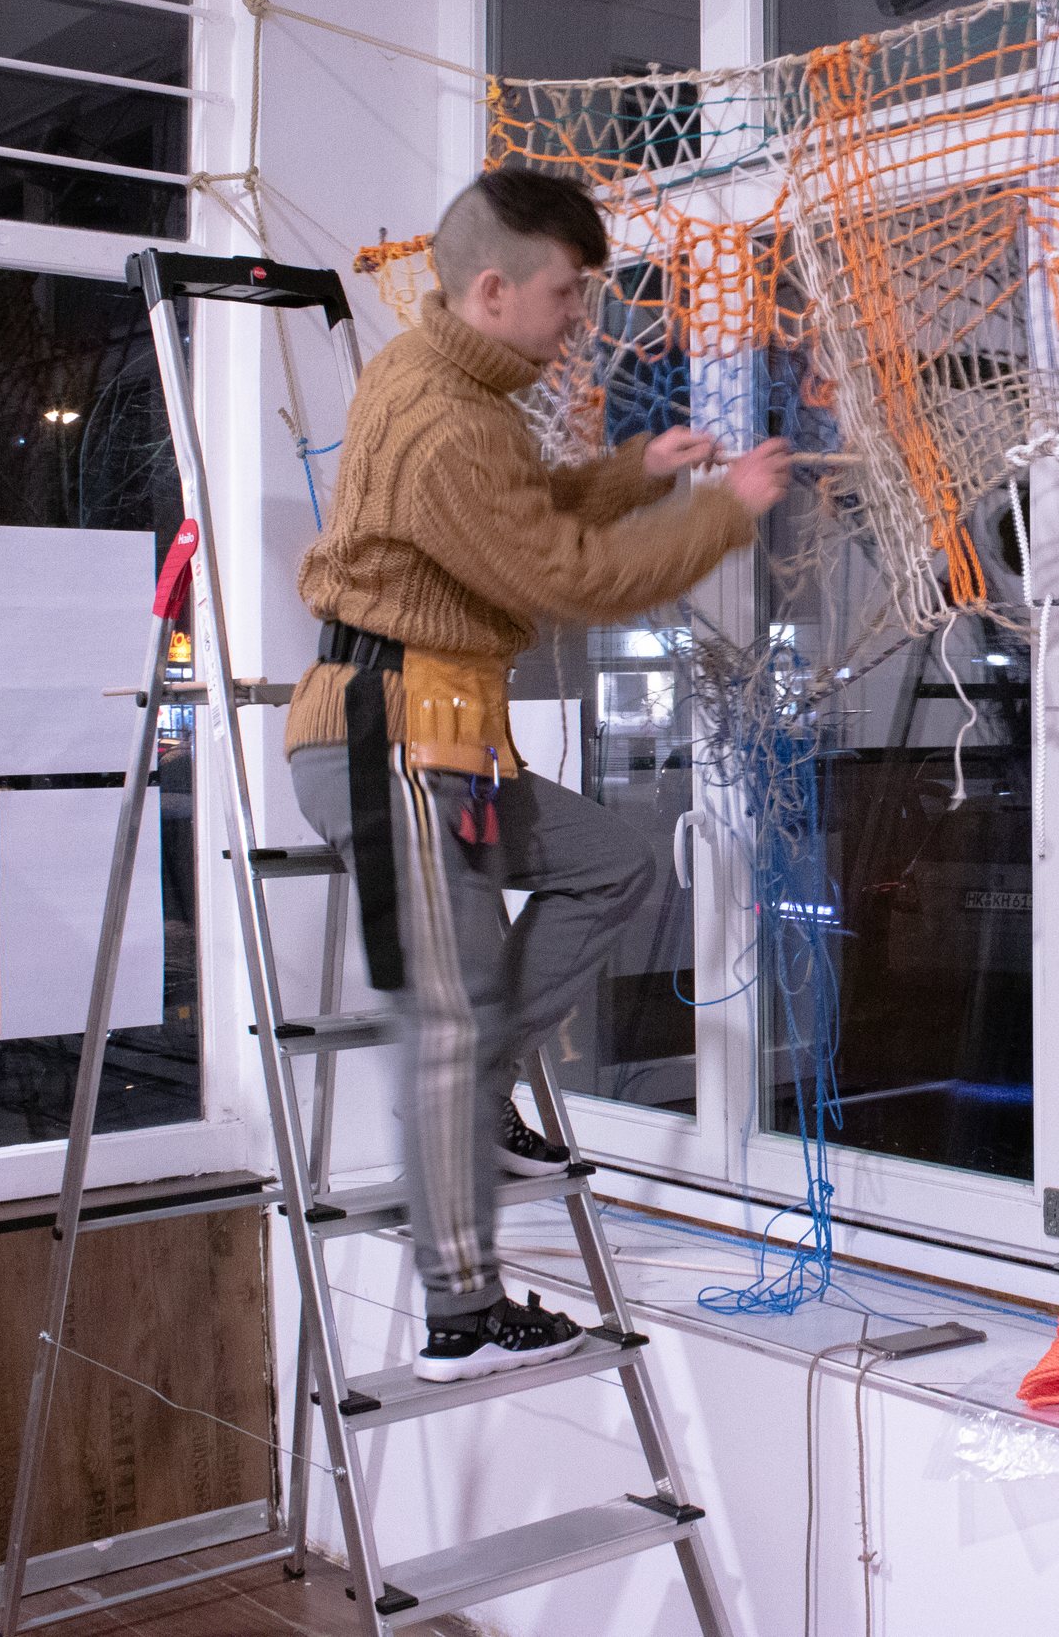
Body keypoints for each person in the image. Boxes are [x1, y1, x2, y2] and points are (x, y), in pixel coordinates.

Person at [284, 168, 792, 1381]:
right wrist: (725, 511)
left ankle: (487, 1101)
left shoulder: (458, 387)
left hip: (450, 737)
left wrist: (632, 472)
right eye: (567, 295)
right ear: (496, 288)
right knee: (445, 1022)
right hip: (389, 743)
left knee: (611, 864)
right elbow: (560, 576)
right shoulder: (448, 419)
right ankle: (460, 1310)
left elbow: (522, 508)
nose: (580, 319)